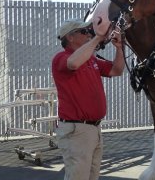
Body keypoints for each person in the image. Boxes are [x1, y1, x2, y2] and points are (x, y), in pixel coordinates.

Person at [52, 19, 125, 180]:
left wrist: (119, 48)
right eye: (84, 31)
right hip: (77, 131)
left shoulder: (91, 59)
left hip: (92, 129)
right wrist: (98, 38)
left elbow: (116, 70)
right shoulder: (61, 58)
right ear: (70, 37)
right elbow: (73, 63)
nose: (88, 34)